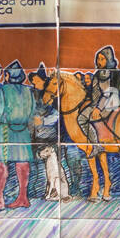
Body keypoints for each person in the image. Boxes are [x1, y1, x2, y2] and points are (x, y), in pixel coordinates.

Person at [0, 60, 36, 211]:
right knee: (22, 164)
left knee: (0, 164)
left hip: (4, 131)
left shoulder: (2, 91)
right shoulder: (29, 92)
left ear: (7, 76)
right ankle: (23, 197)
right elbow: (32, 113)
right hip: (23, 131)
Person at [28, 63, 70, 201]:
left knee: (53, 164)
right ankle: (59, 192)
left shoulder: (51, 96)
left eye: (36, 81)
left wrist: (43, 121)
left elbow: (57, 115)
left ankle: (57, 192)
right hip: (40, 136)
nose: (34, 84)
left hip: (52, 136)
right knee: (52, 165)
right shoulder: (35, 95)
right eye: (33, 82)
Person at [77, 46, 120, 156]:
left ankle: (97, 146)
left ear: (108, 59)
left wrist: (98, 108)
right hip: (97, 103)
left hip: (111, 103)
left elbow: (111, 92)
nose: (99, 61)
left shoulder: (115, 73)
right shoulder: (97, 74)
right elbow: (95, 92)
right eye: (98, 59)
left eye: (102, 59)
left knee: (81, 119)